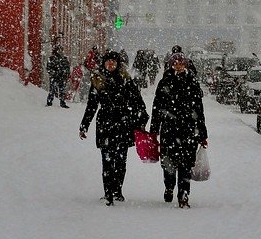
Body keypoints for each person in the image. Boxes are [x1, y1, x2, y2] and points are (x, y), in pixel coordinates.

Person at [79, 50, 148, 205]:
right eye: (108, 61)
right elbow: (91, 105)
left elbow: (137, 102)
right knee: (107, 160)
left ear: (117, 64)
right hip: (105, 124)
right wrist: (84, 125)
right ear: (104, 63)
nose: (110, 64)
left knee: (121, 161)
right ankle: (108, 192)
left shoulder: (126, 80)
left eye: (113, 62)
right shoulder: (98, 80)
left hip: (123, 124)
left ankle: (118, 191)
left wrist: (141, 120)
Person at [152, 52, 208, 208]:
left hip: (188, 130)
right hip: (169, 129)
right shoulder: (165, 82)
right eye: (176, 63)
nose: (178, 66)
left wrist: (202, 133)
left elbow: (199, 109)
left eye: (181, 63)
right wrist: (154, 128)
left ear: (185, 65)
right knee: (168, 163)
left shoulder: (192, 82)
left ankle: (183, 195)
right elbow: (157, 107)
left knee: (186, 164)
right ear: (172, 65)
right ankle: (169, 187)